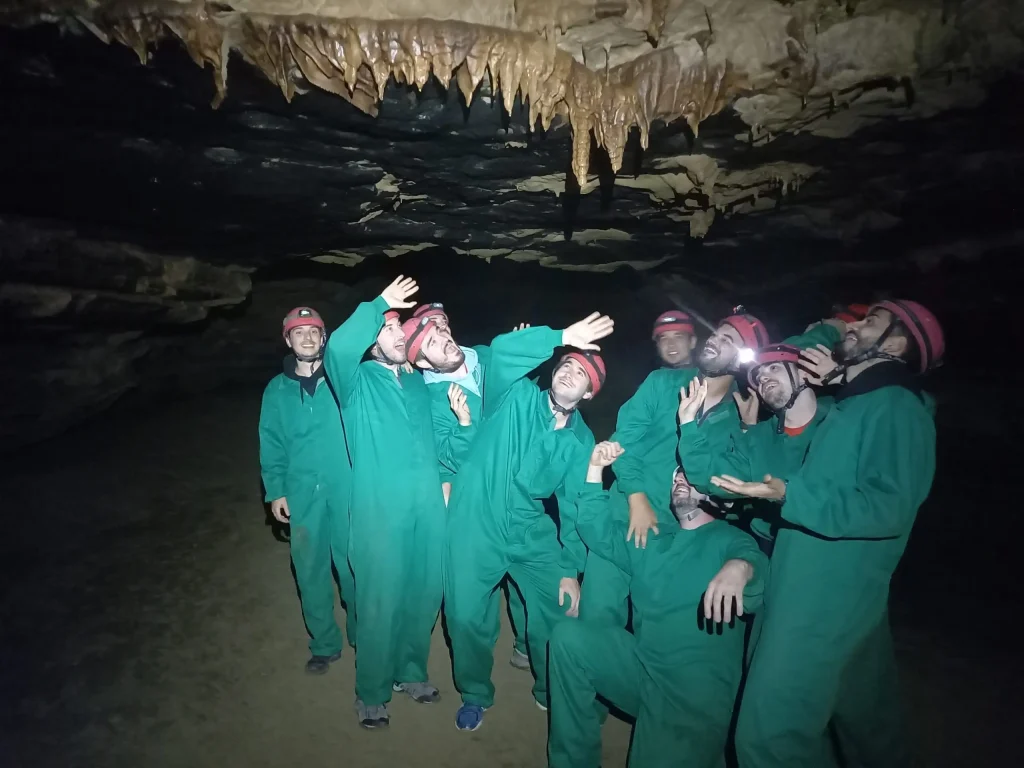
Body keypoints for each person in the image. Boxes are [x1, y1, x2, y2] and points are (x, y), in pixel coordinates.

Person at [713, 300, 944, 768]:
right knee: (869, 727)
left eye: (871, 322)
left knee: (769, 736)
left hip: (826, 594)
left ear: (897, 343)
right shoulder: (851, 405)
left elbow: (888, 507)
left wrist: (788, 497)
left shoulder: (897, 406)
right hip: (814, 583)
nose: (855, 325)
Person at [548, 443, 767, 768]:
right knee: (568, 639)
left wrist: (741, 568)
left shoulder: (729, 540)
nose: (681, 478)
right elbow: (597, 530)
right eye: (678, 474)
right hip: (642, 668)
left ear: (720, 496)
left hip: (691, 696)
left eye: (692, 477)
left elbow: (756, 571)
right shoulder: (653, 538)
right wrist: (595, 469)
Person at [444, 314, 615, 731]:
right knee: (465, 616)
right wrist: (560, 337)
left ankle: (551, 691)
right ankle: (475, 693)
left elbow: (574, 507)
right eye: (567, 366)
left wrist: (571, 570)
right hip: (476, 524)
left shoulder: (581, 441)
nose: (571, 374)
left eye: (582, 374)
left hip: (528, 530)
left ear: (590, 392)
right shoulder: (513, 396)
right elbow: (502, 352)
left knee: (561, 608)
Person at [580, 308, 768, 637]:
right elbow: (624, 441)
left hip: (674, 535)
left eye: (729, 340)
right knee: (596, 621)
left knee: (651, 630)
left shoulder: (740, 414)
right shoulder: (663, 383)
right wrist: (637, 497)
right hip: (624, 515)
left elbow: (726, 485)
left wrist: (749, 433)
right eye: (716, 334)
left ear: (742, 358)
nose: (715, 340)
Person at [322, 276, 447, 730]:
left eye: (401, 329)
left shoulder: (418, 385)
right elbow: (336, 349)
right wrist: (377, 306)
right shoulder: (354, 382)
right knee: (380, 601)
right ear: (372, 343)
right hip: (379, 513)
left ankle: (411, 672)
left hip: (427, 511)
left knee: (424, 592)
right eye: (388, 330)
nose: (398, 335)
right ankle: (372, 692)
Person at [403, 306, 532, 671]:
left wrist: (522, 355)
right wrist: (463, 424)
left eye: (443, 324)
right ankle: (479, 671)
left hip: (522, 490)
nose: (442, 332)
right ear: (422, 362)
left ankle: (526, 644)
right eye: (430, 333)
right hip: (476, 499)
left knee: (526, 581)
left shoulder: (489, 357)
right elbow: (447, 456)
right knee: (478, 589)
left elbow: (531, 405)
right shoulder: (428, 399)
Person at [258, 307, 356, 675]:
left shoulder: (342, 380)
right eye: (299, 333)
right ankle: (324, 644)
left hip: (346, 489)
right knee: (310, 570)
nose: (308, 338)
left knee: (353, 568)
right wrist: (275, 490)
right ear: (287, 340)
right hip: (302, 493)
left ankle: (362, 636)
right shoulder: (276, 390)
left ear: (324, 337)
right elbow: (271, 442)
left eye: (314, 331)